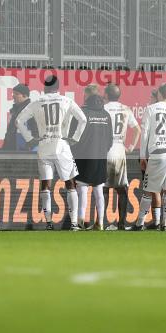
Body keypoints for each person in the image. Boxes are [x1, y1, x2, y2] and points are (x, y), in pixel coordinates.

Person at [16, 75, 88, 230]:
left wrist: (29, 139)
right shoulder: (66, 101)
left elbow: (19, 121)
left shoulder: (37, 102)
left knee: (45, 185)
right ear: (58, 88)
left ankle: (48, 223)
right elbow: (83, 119)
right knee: (70, 183)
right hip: (62, 145)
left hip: (44, 145)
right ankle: (74, 223)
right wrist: (75, 138)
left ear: (44, 88)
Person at [135, 83, 166, 231]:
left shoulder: (151, 109)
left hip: (158, 152)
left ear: (159, 94)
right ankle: (165, 224)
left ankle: (139, 223)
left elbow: (145, 134)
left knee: (148, 190)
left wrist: (143, 156)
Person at [72, 86, 113, 230]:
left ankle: (80, 221)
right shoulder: (106, 115)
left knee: (82, 190)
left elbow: (74, 137)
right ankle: (100, 223)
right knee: (98, 190)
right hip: (100, 157)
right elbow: (110, 140)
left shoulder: (82, 113)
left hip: (83, 156)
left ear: (87, 95)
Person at [101, 83, 139, 230]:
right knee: (122, 189)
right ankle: (122, 224)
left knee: (103, 189)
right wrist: (131, 147)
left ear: (106, 95)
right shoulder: (125, 109)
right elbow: (137, 129)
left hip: (105, 150)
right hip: (119, 149)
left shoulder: (103, 109)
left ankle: (102, 224)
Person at [3, 83, 35, 150]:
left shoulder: (31, 110)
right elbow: (10, 132)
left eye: (17, 94)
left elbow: (34, 132)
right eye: (13, 94)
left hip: (22, 151)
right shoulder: (14, 110)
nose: (13, 96)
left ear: (25, 95)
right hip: (12, 149)